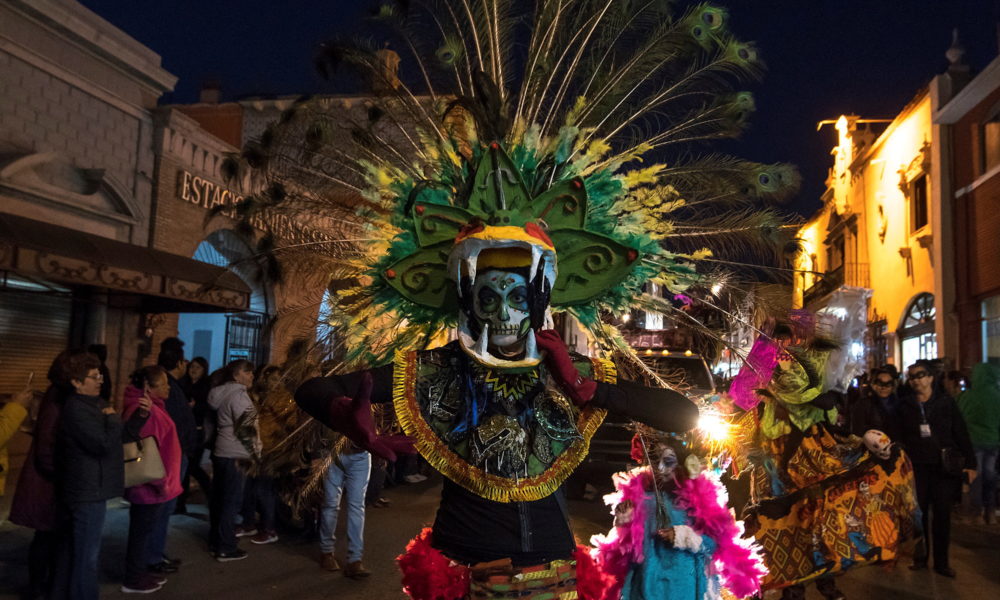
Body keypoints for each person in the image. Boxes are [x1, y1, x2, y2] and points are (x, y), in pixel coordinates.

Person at [592, 431, 766, 600]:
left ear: (682, 463)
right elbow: (626, 549)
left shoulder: (700, 498)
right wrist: (623, 522)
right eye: (655, 460)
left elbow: (717, 545)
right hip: (644, 587)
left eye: (668, 461)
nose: (660, 468)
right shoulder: (641, 497)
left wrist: (687, 537)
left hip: (683, 587)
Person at [55, 352, 147, 600]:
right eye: (94, 377)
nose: (100, 381)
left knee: (81, 552)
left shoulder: (95, 404)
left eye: (100, 376)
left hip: (95, 488)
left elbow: (119, 438)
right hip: (87, 490)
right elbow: (102, 444)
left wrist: (139, 416)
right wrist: (113, 420)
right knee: (87, 556)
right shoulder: (76, 409)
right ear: (76, 382)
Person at [893, 360, 977, 578]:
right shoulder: (904, 405)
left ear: (931, 377)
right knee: (918, 514)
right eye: (911, 377)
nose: (916, 380)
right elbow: (897, 433)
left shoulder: (945, 403)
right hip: (916, 467)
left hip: (943, 468)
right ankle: (920, 557)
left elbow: (960, 432)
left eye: (920, 375)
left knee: (942, 514)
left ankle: (942, 562)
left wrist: (970, 463)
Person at [9, 351, 77, 600]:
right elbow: (47, 445)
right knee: (47, 536)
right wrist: (61, 475)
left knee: (48, 536)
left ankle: (43, 585)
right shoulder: (57, 399)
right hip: (48, 482)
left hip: (50, 479)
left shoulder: (60, 396)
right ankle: (38, 587)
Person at [120, 366, 183, 594]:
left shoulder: (152, 408)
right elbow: (145, 452)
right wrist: (160, 484)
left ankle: (140, 571)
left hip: (153, 484)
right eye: (163, 383)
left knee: (144, 532)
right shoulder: (145, 411)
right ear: (148, 386)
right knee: (141, 533)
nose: (168, 387)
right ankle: (133, 578)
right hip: (149, 486)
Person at [147, 338, 194, 574]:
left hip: (175, 455)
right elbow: (171, 427)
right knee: (160, 510)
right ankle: (152, 557)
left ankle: (156, 553)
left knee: (163, 510)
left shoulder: (175, 388)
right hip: (171, 457)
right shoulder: (170, 392)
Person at [208, 359, 259, 562]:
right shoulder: (238, 396)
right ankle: (226, 546)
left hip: (222, 450)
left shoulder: (222, 393)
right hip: (237, 453)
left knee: (220, 499)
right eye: (248, 372)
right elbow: (248, 430)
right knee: (231, 501)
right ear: (237, 375)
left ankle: (216, 540)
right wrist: (256, 452)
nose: (252, 376)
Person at [318, 438, 372, 578]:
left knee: (357, 506)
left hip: (360, 455)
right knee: (331, 504)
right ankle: (327, 552)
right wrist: (315, 456)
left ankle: (355, 560)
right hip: (332, 453)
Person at [958, 363, 1000, 524]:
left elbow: (959, 418)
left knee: (976, 477)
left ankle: (977, 512)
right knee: (990, 476)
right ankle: (991, 511)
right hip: (993, 441)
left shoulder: (967, 396)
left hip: (973, 441)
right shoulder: (997, 396)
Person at [177, 356, 213, 514]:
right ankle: (180, 503)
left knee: (192, 466)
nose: (194, 370)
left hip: (198, 431)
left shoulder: (206, 387)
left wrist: (195, 406)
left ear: (204, 370)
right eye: (192, 366)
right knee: (185, 467)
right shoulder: (183, 384)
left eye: (198, 367)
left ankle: (210, 492)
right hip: (184, 430)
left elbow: (208, 408)